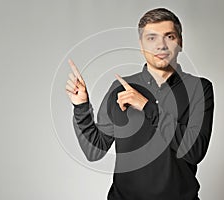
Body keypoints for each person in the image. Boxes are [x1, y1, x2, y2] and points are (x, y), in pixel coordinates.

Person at [66, 7, 214, 200]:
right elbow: (95, 150)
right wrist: (81, 106)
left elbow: (194, 151)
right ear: (141, 44)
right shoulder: (119, 89)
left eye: (169, 36)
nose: (161, 45)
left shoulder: (199, 88)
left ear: (180, 42)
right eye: (151, 38)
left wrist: (147, 107)